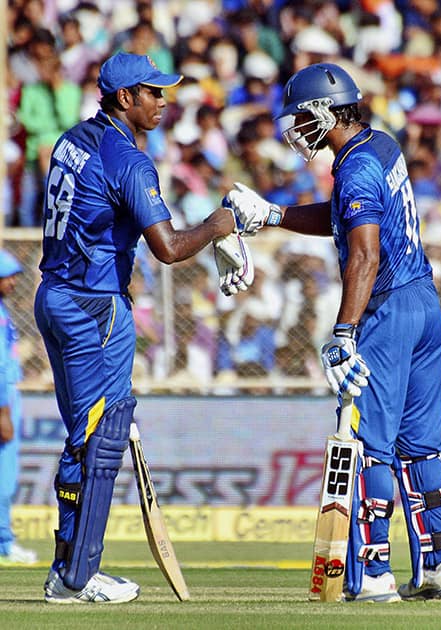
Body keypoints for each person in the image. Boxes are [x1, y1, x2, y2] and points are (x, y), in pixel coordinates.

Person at [226, 62, 441, 603]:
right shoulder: (378, 146)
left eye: (301, 117)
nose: (296, 130)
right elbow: (343, 219)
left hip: (385, 309)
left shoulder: (355, 170)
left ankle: (376, 573)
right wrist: (272, 215)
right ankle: (440, 566)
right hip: (425, 307)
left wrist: (343, 331)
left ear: (323, 112)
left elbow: (363, 251)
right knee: (420, 447)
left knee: (369, 446)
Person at [34, 51, 246, 604]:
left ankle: (67, 566)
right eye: (153, 92)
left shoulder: (71, 141)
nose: (163, 101)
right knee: (100, 439)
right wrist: (220, 224)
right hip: (93, 307)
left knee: (85, 435)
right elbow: (170, 248)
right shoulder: (128, 159)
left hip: (54, 296)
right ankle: (78, 576)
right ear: (124, 98)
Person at [0, 250, 38, 566]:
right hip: (3, 398)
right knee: (5, 476)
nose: (13, 282)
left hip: (7, 393)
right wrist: (3, 412)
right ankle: (4, 542)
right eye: (7, 276)